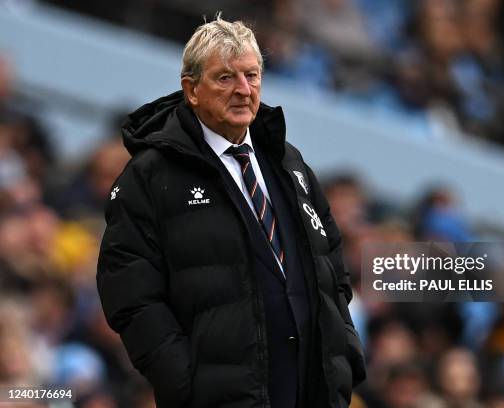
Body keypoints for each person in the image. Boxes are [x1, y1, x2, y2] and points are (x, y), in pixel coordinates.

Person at [96, 15, 366, 408]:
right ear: (191, 89)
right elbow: (128, 291)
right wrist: (184, 380)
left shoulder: (287, 161)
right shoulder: (151, 175)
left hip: (309, 390)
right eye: (225, 78)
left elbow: (332, 266)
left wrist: (344, 352)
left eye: (252, 76)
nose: (243, 90)